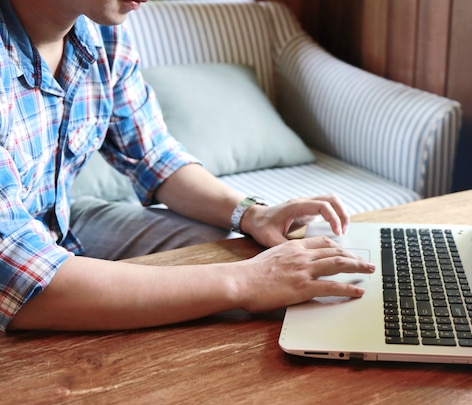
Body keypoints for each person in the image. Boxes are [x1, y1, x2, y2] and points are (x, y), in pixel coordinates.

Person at [0, 0, 374, 333]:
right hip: (19, 253)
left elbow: (155, 156)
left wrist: (251, 214)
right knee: (247, 281)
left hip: (61, 222)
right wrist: (243, 283)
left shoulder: (102, 36)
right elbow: (18, 276)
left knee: (249, 251)